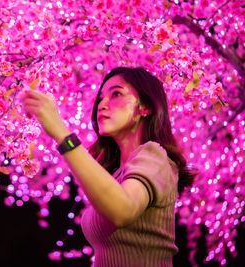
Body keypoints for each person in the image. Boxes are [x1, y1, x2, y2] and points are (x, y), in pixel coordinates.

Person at [21, 67, 195, 267]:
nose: (102, 105)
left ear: (145, 107)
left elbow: (122, 209)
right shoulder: (115, 176)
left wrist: (62, 134)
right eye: (101, 98)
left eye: (116, 94)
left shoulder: (155, 156)